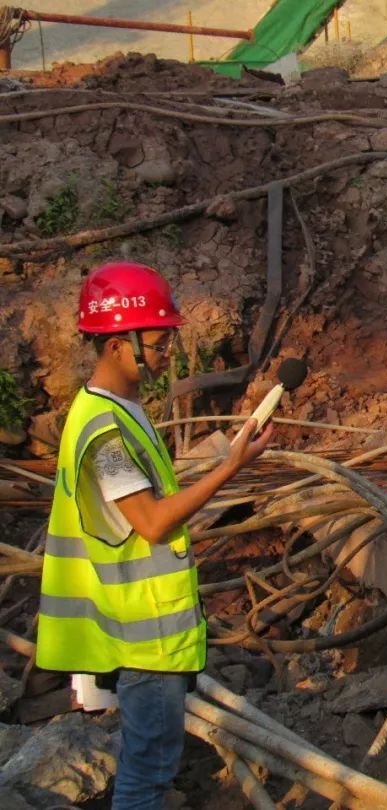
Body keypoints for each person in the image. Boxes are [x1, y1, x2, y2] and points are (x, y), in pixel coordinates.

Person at [36, 261, 273, 810]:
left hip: (145, 628)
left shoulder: (117, 409)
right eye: (159, 340)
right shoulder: (104, 431)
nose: (168, 351)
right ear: (119, 343)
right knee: (148, 775)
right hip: (143, 636)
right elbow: (153, 521)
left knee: (150, 765)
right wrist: (229, 467)